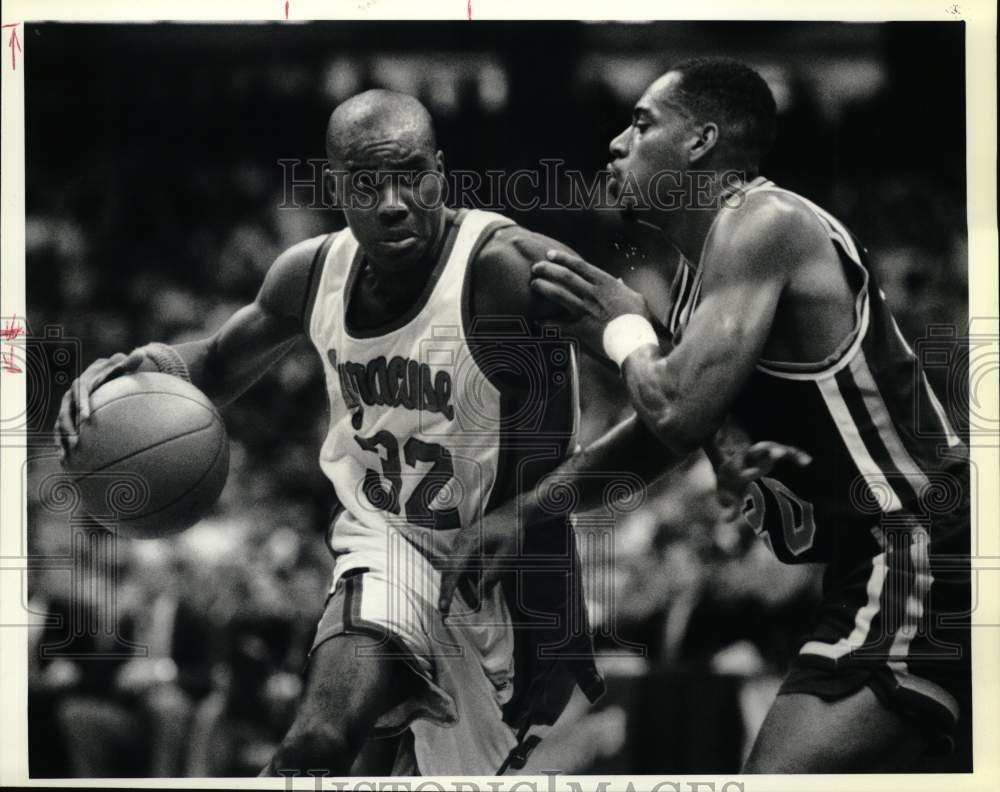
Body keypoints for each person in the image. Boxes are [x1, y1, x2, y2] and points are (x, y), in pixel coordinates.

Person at [54, 89, 780, 776]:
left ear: (440, 173)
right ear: (335, 189)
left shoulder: (504, 268)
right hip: (387, 541)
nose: (394, 204)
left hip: (505, 580)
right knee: (315, 740)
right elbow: (208, 364)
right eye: (366, 185)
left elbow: (677, 382)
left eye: (411, 178)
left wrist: (717, 445)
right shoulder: (309, 275)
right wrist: (131, 375)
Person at [441, 58, 971, 773]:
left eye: (641, 122)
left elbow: (679, 413)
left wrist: (623, 329)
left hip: (920, 540)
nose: (616, 144)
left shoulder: (765, 221)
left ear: (700, 142)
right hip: (875, 556)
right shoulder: (708, 269)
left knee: (774, 779)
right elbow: (663, 438)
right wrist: (531, 512)